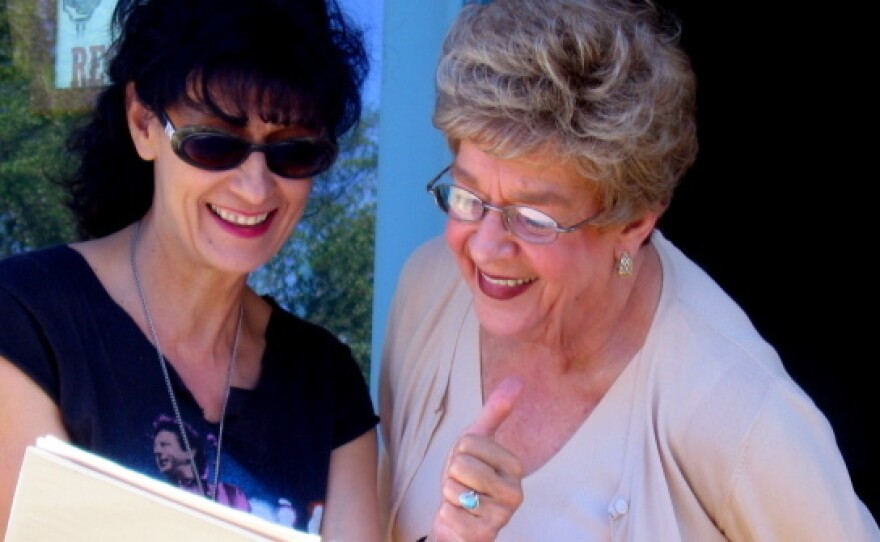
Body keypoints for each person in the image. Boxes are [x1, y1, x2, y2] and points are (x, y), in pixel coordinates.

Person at [377, 0, 880, 540]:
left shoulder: (742, 415)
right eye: (468, 194)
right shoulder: (428, 291)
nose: (486, 248)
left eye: (534, 217)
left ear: (634, 222)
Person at [0, 0, 381, 540]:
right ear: (143, 125)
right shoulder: (26, 321)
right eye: (213, 144)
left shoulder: (325, 381)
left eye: (292, 152)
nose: (255, 187)